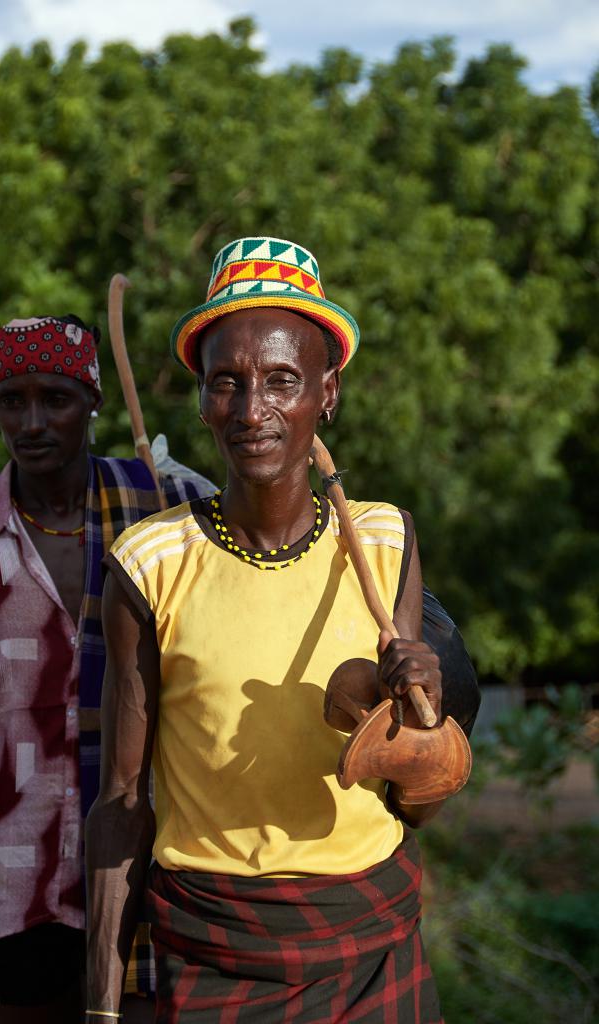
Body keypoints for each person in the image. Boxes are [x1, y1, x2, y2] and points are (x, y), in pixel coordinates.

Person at [86, 237, 480, 1022]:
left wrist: (426, 720)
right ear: (200, 399)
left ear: (327, 392)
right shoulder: (151, 561)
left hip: (372, 947)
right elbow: (123, 801)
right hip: (213, 949)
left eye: (282, 380)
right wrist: (101, 1007)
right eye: (225, 383)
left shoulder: (384, 541)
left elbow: (416, 799)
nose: (251, 409)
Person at [0, 314, 214, 1024]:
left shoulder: (161, 508)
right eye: (11, 400)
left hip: (151, 862)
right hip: (16, 876)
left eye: (55, 398)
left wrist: (202, 500)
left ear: (93, 403)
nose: (31, 421)